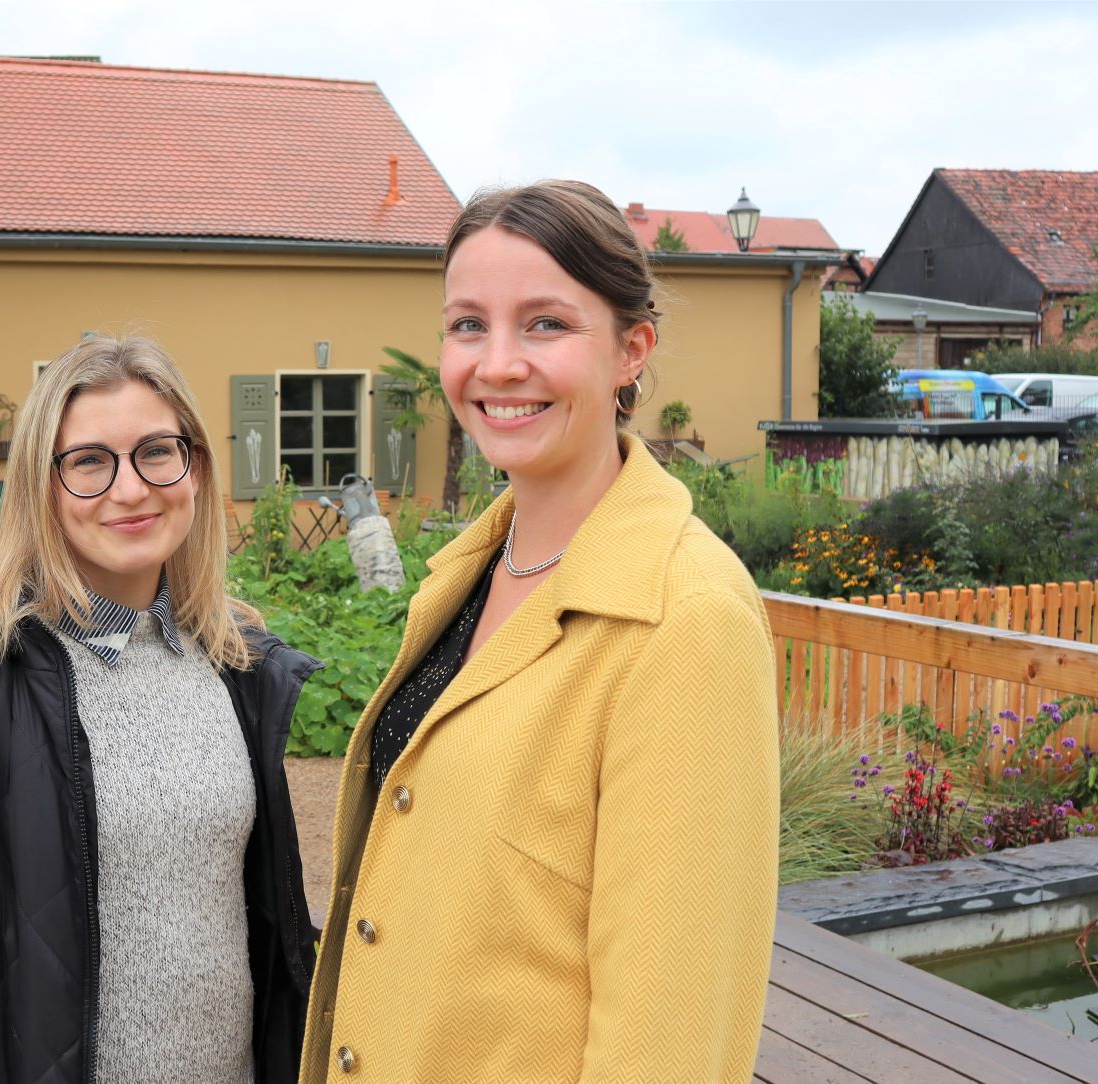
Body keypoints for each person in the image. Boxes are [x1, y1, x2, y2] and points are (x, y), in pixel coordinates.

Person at [299, 180, 779, 1082]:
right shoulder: (470, 575)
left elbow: (668, 1040)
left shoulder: (687, 619)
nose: (498, 364)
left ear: (631, 350)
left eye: (546, 324)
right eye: (468, 325)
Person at [0, 335, 320, 1083]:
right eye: (89, 461)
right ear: (39, 486)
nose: (132, 489)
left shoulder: (236, 662)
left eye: (157, 451)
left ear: (195, 467)